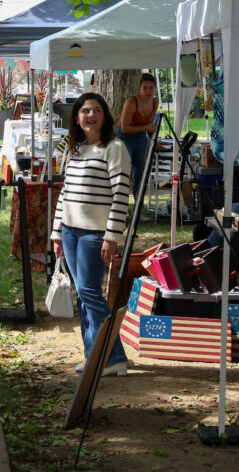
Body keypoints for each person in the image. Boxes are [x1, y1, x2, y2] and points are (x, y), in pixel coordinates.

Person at [52, 92, 132, 377]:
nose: (91, 115)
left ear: (105, 116)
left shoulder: (114, 148)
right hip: (71, 232)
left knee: (89, 292)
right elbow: (65, 192)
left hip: (96, 234)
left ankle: (114, 356)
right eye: (85, 110)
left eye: (96, 110)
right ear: (76, 116)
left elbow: (122, 194)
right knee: (84, 296)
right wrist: (56, 232)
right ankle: (93, 355)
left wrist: (112, 236)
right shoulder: (75, 149)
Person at [115, 73, 159, 192]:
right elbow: (124, 128)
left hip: (140, 137)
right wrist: (147, 128)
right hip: (125, 136)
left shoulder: (155, 103)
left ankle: (138, 203)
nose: (148, 91)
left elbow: (149, 126)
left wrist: (153, 139)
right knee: (124, 169)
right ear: (140, 89)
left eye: (151, 88)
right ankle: (120, 199)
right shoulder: (132, 101)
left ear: (154, 88)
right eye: (145, 87)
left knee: (140, 171)